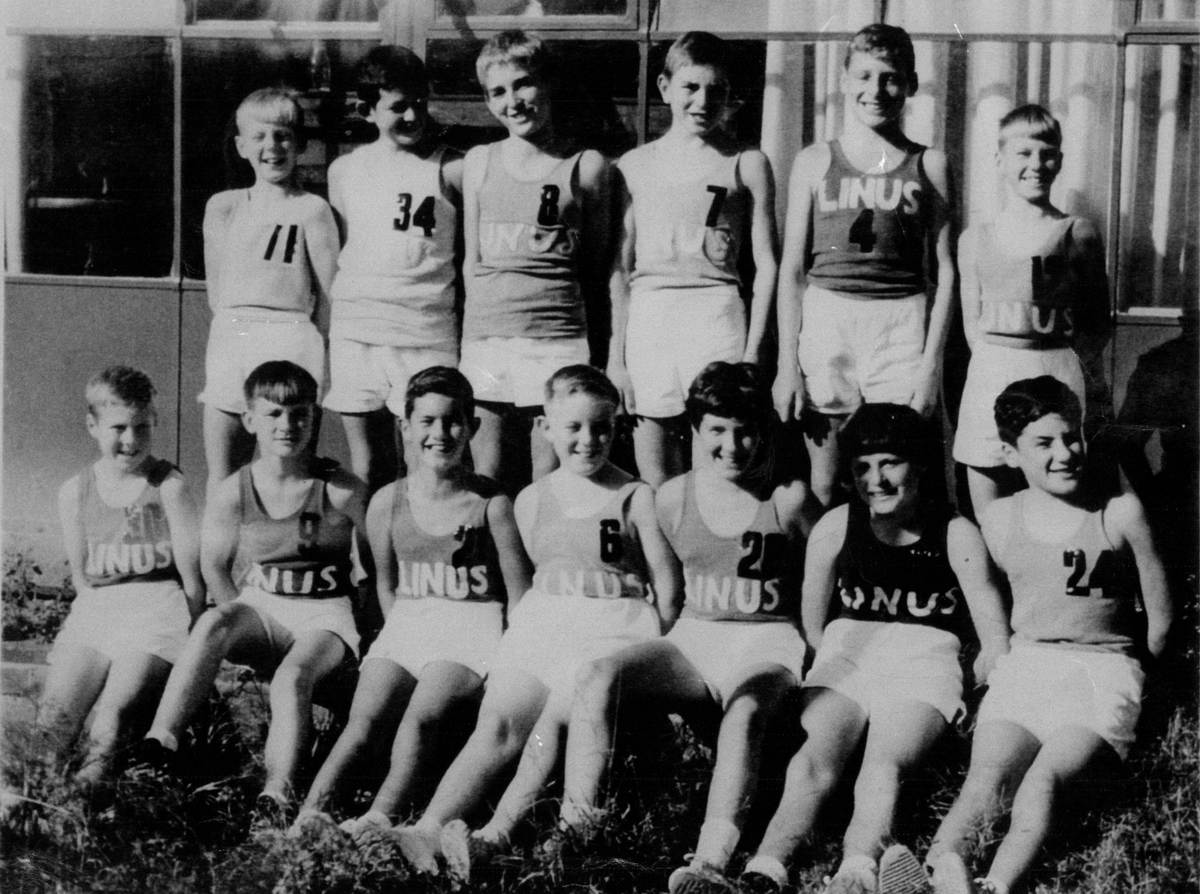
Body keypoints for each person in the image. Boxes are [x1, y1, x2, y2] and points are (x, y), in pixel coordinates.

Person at [879, 376, 1172, 894]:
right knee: (986, 777)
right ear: (1011, 455)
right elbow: (980, 593)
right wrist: (994, 650)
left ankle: (996, 885)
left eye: (1073, 436)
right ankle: (940, 870)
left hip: (1102, 671)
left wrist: (1152, 681)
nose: (1065, 453)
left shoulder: (1117, 512)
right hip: (1030, 664)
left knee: (1041, 782)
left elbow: (1161, 612)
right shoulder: (998, 519)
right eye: (1044, 443)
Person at [386, 365, 679, 877]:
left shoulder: (636, 496)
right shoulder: (531, 498)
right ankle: (430, 826)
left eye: (600, 428)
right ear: (546, 429)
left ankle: (538, 837)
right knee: (499, 720)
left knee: (556, 720)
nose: (587, 440)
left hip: (613, 625)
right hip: (546, 620)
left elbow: (666, 585)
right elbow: (520, 582)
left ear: (617, 427)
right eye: (573, 428)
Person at [555, 361, 815, 894]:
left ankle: (711, 863)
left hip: (767, 640)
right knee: (600, 674)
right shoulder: (672, 496)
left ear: (764, 430)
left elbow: (823, 576)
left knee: (743, 714)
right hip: (697, 638)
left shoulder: (788, 499)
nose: (733, 445)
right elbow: (671, 596)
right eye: (717, 430)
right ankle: (577, 833)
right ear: (695, 432)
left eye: (746, 431)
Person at [732, 404, 1009, 894]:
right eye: (862, 467)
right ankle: (766, 869)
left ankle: (856, 871)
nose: (874, 480)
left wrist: (984, 693)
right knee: (814, 758)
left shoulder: (956, 533)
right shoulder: (838, 526)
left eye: (889, 464)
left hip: (924, 666)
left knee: (883, 764)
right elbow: (815, 628)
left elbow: (993, 639)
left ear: (920, 465)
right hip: (850, 656)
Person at [290, 367, 532, 837]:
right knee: (363, 719)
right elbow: (387, 584)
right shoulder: (387, 502)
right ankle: (309, 816)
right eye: (426, 421)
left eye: (452, 421)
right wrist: (397, 632)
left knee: (421, 715)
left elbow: (519, 596)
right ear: (405, 427)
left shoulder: (492, 506)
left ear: (473, 428)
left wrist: (507, 660)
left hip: (472, 626)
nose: (439, 434)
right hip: (411, 619)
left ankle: (379, 818)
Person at [137, 361, 368, 820]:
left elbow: (379, 564)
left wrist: (366, 622)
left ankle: (277, 793)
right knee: (212, 624)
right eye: (274, 414)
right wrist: (242, 624)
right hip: (265, 606)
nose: (287, 426)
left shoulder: (339, 489)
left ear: (314, 418)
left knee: (292, 678)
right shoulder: (233, 490)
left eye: (300, 413)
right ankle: (160, 743)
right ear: (250, 420)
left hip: (324, 613)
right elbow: (214, 565)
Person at [772, 24, 955, 509]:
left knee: (897, 472)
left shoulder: (928, 163)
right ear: (845, 80)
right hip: (828, 314)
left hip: (899, 317)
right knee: (827, 481)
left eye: (891, 78)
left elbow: (945, 272)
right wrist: (786, 365)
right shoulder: (814, 160)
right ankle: (828, 580)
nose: (876, 91)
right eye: (865, 77)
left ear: (911, 84)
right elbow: (791, 270)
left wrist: (930, 367)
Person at [606, 32, 779, 487]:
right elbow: (620, 270)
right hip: (652, 315)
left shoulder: (746, 162)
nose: (703, 101)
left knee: (719, 463)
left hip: (715, 310)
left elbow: (768, 265)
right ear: (664, 87)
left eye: (716, 90)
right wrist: (616, 358)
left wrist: (754, 351)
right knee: (658, 472)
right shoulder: (634, 165)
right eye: (691, 87)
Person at [458, 31, 612, 492]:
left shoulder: (585, 165)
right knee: (487, 478)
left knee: (548, 481)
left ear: (547, 85)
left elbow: (598, 268)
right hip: (488, 340)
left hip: (557, 341)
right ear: (487, 101)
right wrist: (470, 340)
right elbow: (472, 261)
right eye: (498, 92)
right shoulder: (479, 162)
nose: (514, 101)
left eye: (523, 84)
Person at [35, 367, 203, 785]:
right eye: (118, 428)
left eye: (141, 427)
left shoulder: (169, 487)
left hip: (157, 609)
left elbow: (192, 580)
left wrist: (191, 642)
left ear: (155, 422)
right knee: (52, 720)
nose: (130, 439)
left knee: (111, 720)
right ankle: (29, 812)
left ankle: (82, 815)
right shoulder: (75, 491)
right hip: (100, 610)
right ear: (92, 426)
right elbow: (82, 577)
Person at [952, 105, 1110, 517]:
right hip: (993, 370)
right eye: (1024, 153)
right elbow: (973, 326)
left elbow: (1097, 322)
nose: (1036, 164)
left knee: (1059, 497)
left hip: (1056, 366)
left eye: (1047, 152)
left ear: (1060, 158)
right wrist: (995, 368)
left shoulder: (1078, 232)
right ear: (1000, 160)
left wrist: (1075, 376)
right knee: (989, 497)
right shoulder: (976, 238)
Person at [323, 46, 464, 493]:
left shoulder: (451, 166)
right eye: (397, 106)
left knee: (431, 463)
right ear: (367, 110)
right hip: (358, 330)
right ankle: (372, 561)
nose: (411, 116)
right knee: (369, 465)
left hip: (425, 331)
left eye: (419, 104)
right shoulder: (344, 170)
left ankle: (424, 556)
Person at [200, 87, 339, 498]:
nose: (272, 147)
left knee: (290, 466)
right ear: (241, 146)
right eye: (259, 137)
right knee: (223, 470)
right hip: (234, 334)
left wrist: (316, 352)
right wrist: (235, 330)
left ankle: (287, 557)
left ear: (299, 144)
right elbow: (216, 291)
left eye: (282, 136)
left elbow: (330, 296)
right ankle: (220, 561)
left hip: (291, 336)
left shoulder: (312, 209)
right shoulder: (224, 206)